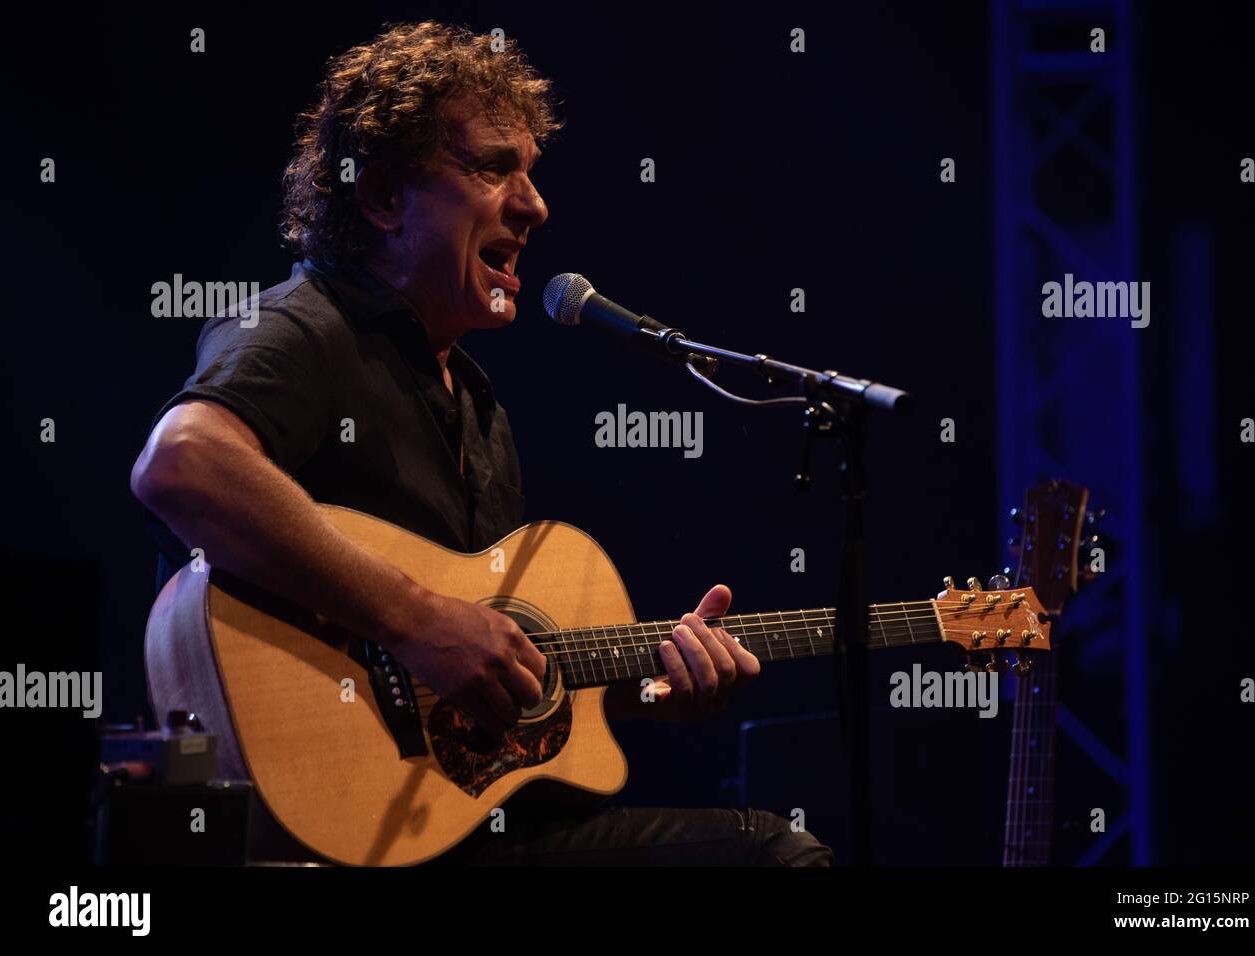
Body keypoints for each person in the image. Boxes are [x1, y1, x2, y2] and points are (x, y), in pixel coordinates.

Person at [131, 19, 831, 866]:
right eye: (495, 168)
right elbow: (182, 463)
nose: (537, 206)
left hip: (462, 825)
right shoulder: (306, 327)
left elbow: (482, 682)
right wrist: (416, 618)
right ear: (384, 197)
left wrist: (651, 686)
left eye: (531, 175)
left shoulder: (477, 402)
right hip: (343, 829)